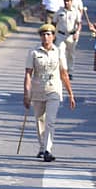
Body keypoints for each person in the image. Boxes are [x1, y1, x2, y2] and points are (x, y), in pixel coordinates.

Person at [24, 24, 76, 162]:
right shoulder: (34, 52)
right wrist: (26, 93)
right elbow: (28, 73)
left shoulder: (58, 51)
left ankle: (48, 149)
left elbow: (64, 73)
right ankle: (42, 147)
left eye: (49, 34)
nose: (46, 37)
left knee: (50, 121)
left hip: (54, 89)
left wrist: (70, 93)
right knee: (39, 119)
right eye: (43, 34)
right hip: (38, 89)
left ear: (53, 36)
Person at [54, 0, 83, 79]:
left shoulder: (76, 11)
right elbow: (54, 23)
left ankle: (70, 72)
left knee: (71, 54)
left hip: (71, 35)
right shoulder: (59, 11)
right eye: (65, 1)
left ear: (71, 1)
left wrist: (77, 33)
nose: (66, 3)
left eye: (68, 1)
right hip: (60, 35)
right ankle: (63, 70)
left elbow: (79, 24)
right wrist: (53, 34)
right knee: (60, 53)